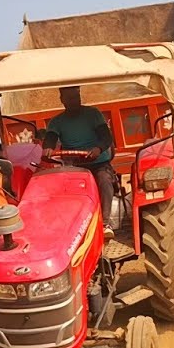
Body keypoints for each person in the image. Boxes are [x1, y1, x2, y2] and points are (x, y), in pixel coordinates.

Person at [42, 86, 118, 237]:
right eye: (70, 98)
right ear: (62, 100)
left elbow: (106, 138)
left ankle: (105, 223)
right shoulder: (56, 122)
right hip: (73, 166)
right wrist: (48, 149)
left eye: (77, 97)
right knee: (60, 189)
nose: (75, 101)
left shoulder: (93, 114)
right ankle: (68, 225)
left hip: (98, 163)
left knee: (104, 180)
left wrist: (98, 149)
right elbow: (49, 140)